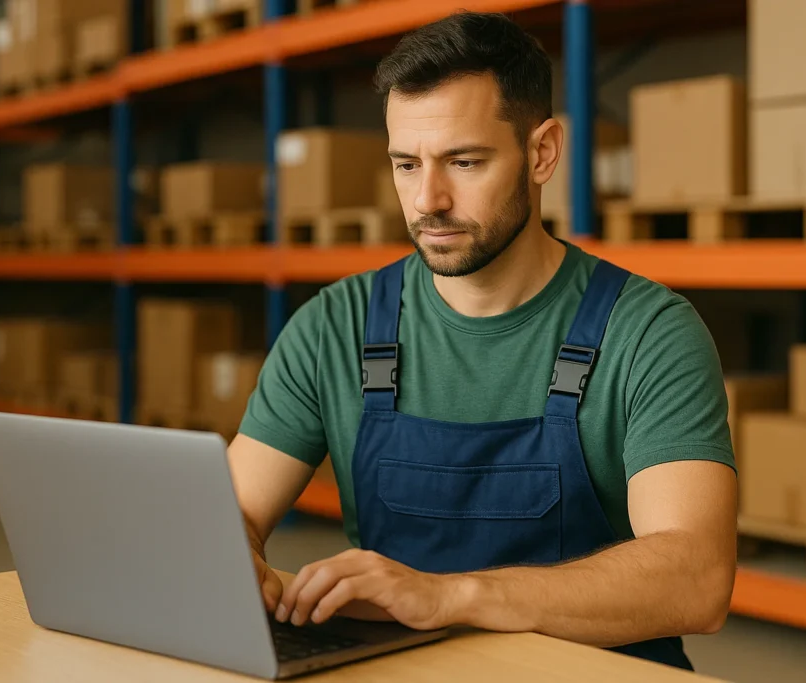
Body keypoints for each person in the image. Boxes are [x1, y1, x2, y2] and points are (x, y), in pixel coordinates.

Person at [227, 10, 737, 671]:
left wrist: (450, 596)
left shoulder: (647, 333)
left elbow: (695, 577)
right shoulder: (336, 326)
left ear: (541, 152)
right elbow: (232, 509)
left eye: (463, 161)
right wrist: (235, 561)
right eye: (406, 164)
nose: (427, 199)